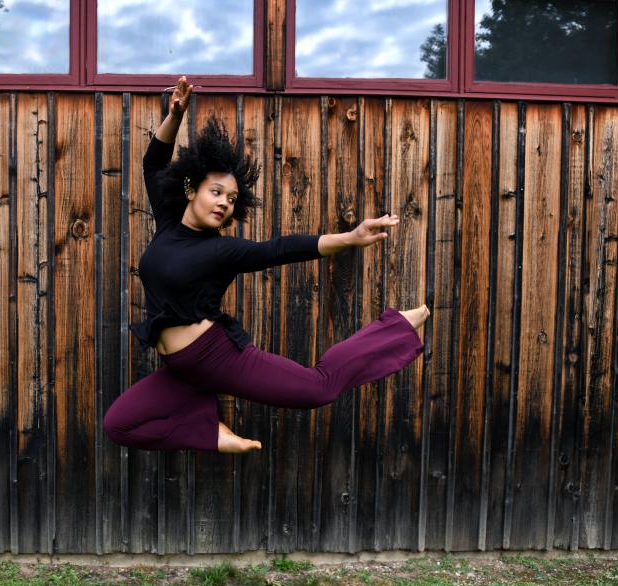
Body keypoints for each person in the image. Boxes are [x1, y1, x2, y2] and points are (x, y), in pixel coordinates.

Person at [103, 77, 429, 454]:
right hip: (182, 370)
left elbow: (279, 250)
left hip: (216, 357)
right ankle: (207, 432)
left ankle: (396, 327)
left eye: (232, 198)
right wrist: (174, 116)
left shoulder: (223, 251)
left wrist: (350, 238)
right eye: (216, 192)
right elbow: (154, 161)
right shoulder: (169, 221)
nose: (224, 202)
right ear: (191, 190)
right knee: (119, 425)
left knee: (318, 387)